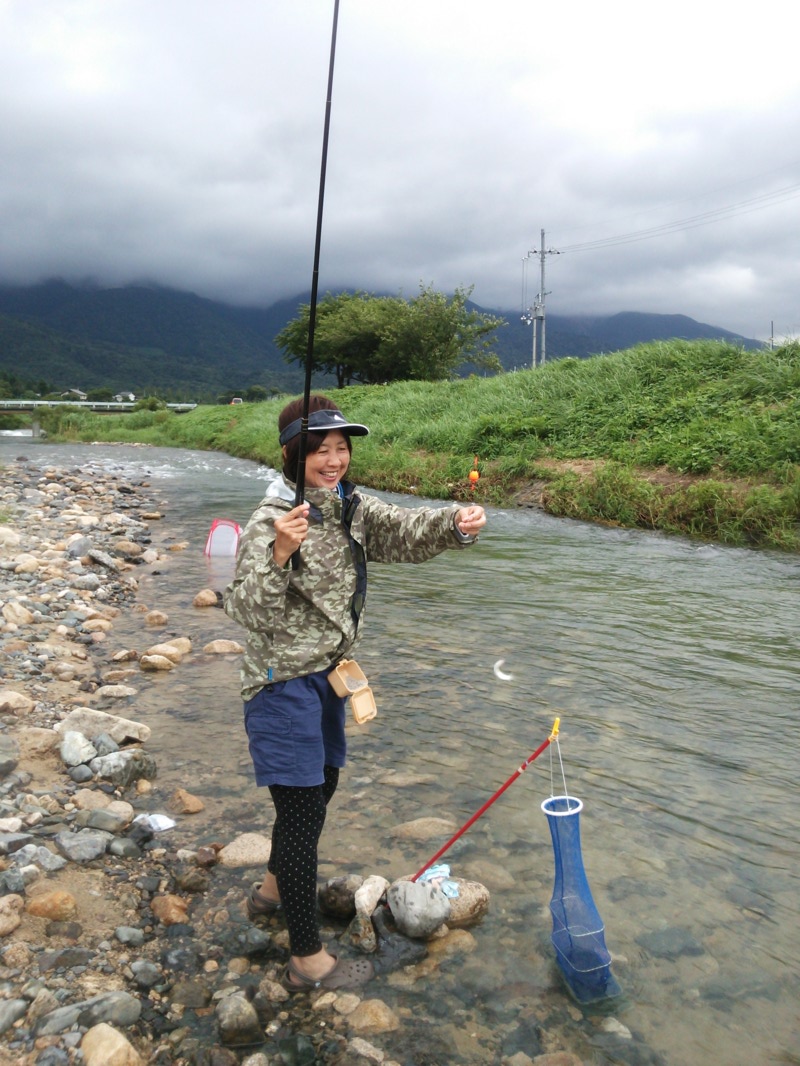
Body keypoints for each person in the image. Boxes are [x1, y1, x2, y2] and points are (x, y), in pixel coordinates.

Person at [223, 394, 487, 992]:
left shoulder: (351, 508)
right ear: (294, 455)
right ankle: (306, 958)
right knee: (299, 810)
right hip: (280, 682)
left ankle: (270, 890)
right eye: (320, 450)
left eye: (342, 448)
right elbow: (245, 610)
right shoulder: (271, 520)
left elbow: (404, 531)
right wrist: (280, 554)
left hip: (330, 676)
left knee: (325, 786)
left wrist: (455, 524)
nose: (335, 459)